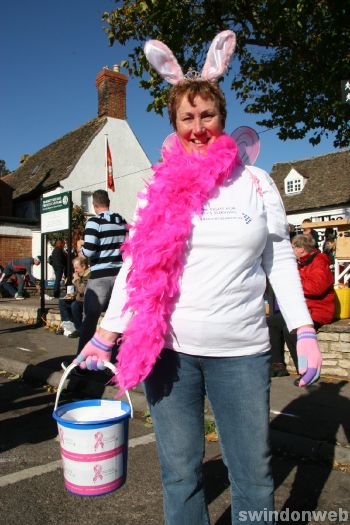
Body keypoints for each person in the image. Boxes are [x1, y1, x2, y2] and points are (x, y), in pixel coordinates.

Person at [74, 31, 323, 524]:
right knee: (181, 474)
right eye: (187, 117)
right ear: (175, 123)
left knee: (252, 474)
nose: (198, 127)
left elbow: (278, 258)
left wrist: (304, 328)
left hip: (243, 353)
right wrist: (105, 335)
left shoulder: (255, 183)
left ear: (222, 118)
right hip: (170, 354)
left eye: (206, 115)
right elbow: (137, 268)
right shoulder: (156, 189)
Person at [269, 234, 335, 382]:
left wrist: (294, 282)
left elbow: (317, 288)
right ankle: (278, 364)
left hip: (318, 310)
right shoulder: (301, 262)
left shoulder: (320, 261)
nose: (291, 249)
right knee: (272, 322)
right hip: (304, 308)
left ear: (301, 249)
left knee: (291, 329)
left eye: (293, 246)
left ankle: (305, 370)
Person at [76, 189, 127, 354]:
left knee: (89, 320)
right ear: (108, 202)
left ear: (94, 205)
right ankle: (116, 362)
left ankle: (81, 361)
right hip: (120, 276)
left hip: (100, 277)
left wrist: (80, 248)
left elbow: (89, 251)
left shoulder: (94, 222)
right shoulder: (121, 220)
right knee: (117, 322)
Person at [57, 256, 90, 337]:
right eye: (74, 268)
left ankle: (79, 329)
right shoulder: (80, 275)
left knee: (74, 305)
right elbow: (77, 291)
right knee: (62, 301)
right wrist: (72, 295)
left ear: (84, 266)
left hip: (86, 302)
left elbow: (82, 290)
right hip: (79, 299)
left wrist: (76, 279)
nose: (75, 270)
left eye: (77, 268)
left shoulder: (89, 275)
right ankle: (69, 327)